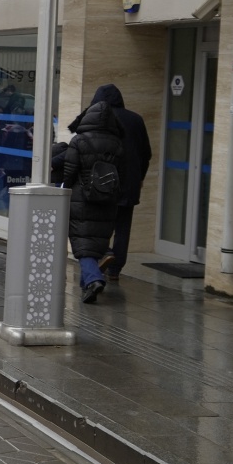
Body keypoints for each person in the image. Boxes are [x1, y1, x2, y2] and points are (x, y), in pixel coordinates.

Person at [63, 98, 125, 303]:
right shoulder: (117, 142)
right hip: (108, 196)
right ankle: (87, 284)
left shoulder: (79, 140)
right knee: (96, 238)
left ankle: (93, 279)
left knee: (81, 241)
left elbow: (70, 169)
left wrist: (66, 187)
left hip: (82, 196)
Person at [90, 84, 152, 282]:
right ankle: (115, 270)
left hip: (104, 181)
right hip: (129, 182)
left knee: (99, 224)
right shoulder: (135, 119)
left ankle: (105, 253)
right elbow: (146, 153)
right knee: (123, 227)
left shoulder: (97, 119)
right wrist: (140, 177)